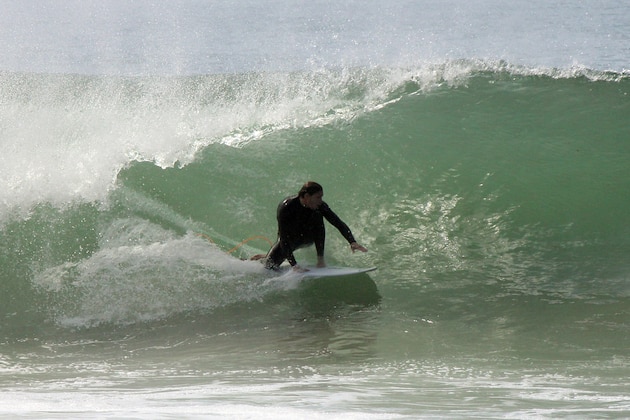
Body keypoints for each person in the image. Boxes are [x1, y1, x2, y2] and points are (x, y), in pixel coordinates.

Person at [261, 181, 367, 271]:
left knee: (318, 218)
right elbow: (284, 238)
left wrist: (352, 241)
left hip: (309, 237)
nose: (321, 201)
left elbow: (337, 222)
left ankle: (320, 260)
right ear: (307, 196)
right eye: (318, 197)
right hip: (290, 239)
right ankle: (263, 258)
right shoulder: (286, 207)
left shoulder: (319, 206)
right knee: (268, 267)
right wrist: (294, 266)